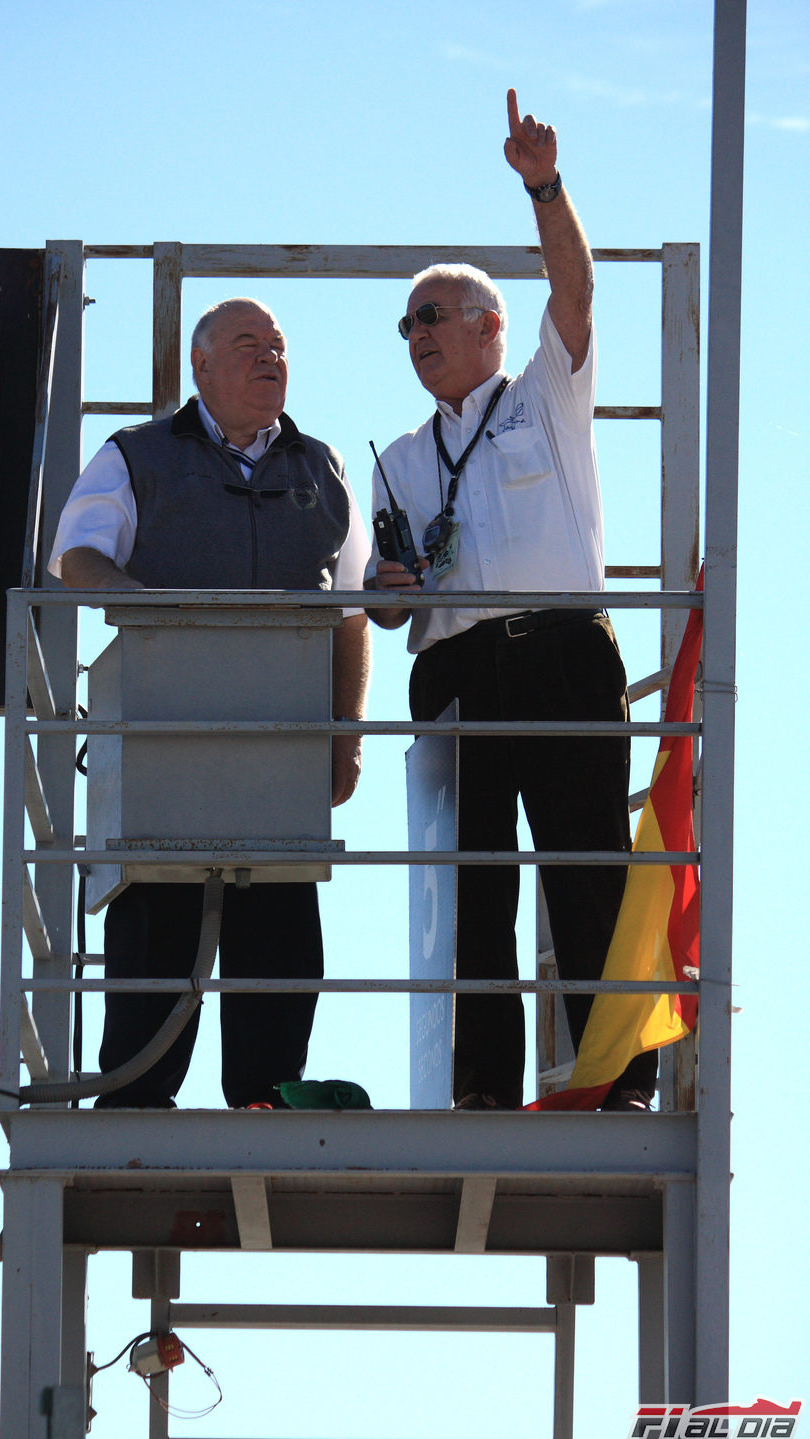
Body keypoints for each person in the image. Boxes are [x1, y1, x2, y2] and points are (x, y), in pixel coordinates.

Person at [366, 90, 656, 1113]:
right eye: (407, 324)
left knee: (585, 869)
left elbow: (577, 287)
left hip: (563, 653)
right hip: (454, 670)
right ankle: (481, 1088)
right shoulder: (397, 460)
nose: (417, 335)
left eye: (433, 316)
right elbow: (386, 604)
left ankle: (615, 1079)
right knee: (474, 887)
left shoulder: (545, 390)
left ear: (492, 325)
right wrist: (385, 593)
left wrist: (545, 184)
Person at [48, 297, 371, 1109]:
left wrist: (349, 735)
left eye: (279, 344)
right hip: (167, 742)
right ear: (200, 366)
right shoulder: (135, 455)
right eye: (247, 345)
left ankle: (266, 1098)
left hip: (285, 751)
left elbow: (354, 609)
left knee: (284, 938)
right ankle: (134, 1099)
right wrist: (166, 619)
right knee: (157, 924)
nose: (270, 358)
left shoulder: (322, 467)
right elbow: (76, 558)